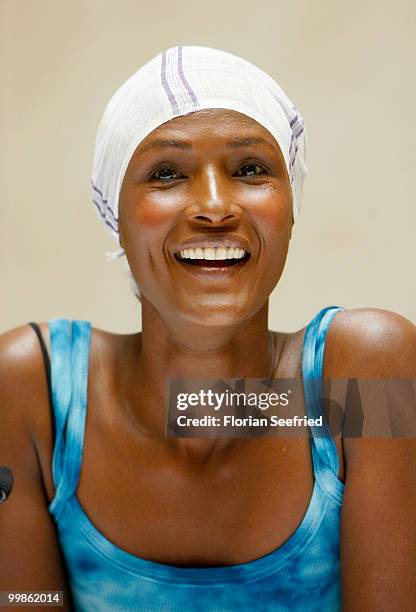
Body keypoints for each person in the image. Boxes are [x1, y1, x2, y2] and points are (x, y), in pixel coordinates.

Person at [0, 46, 415, 612]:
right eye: (167, 173)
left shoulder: (370, 371)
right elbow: (25, 600)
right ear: (115, 216)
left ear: (289, 207)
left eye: (250, 169)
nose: (215, 206)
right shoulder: (30, 393)